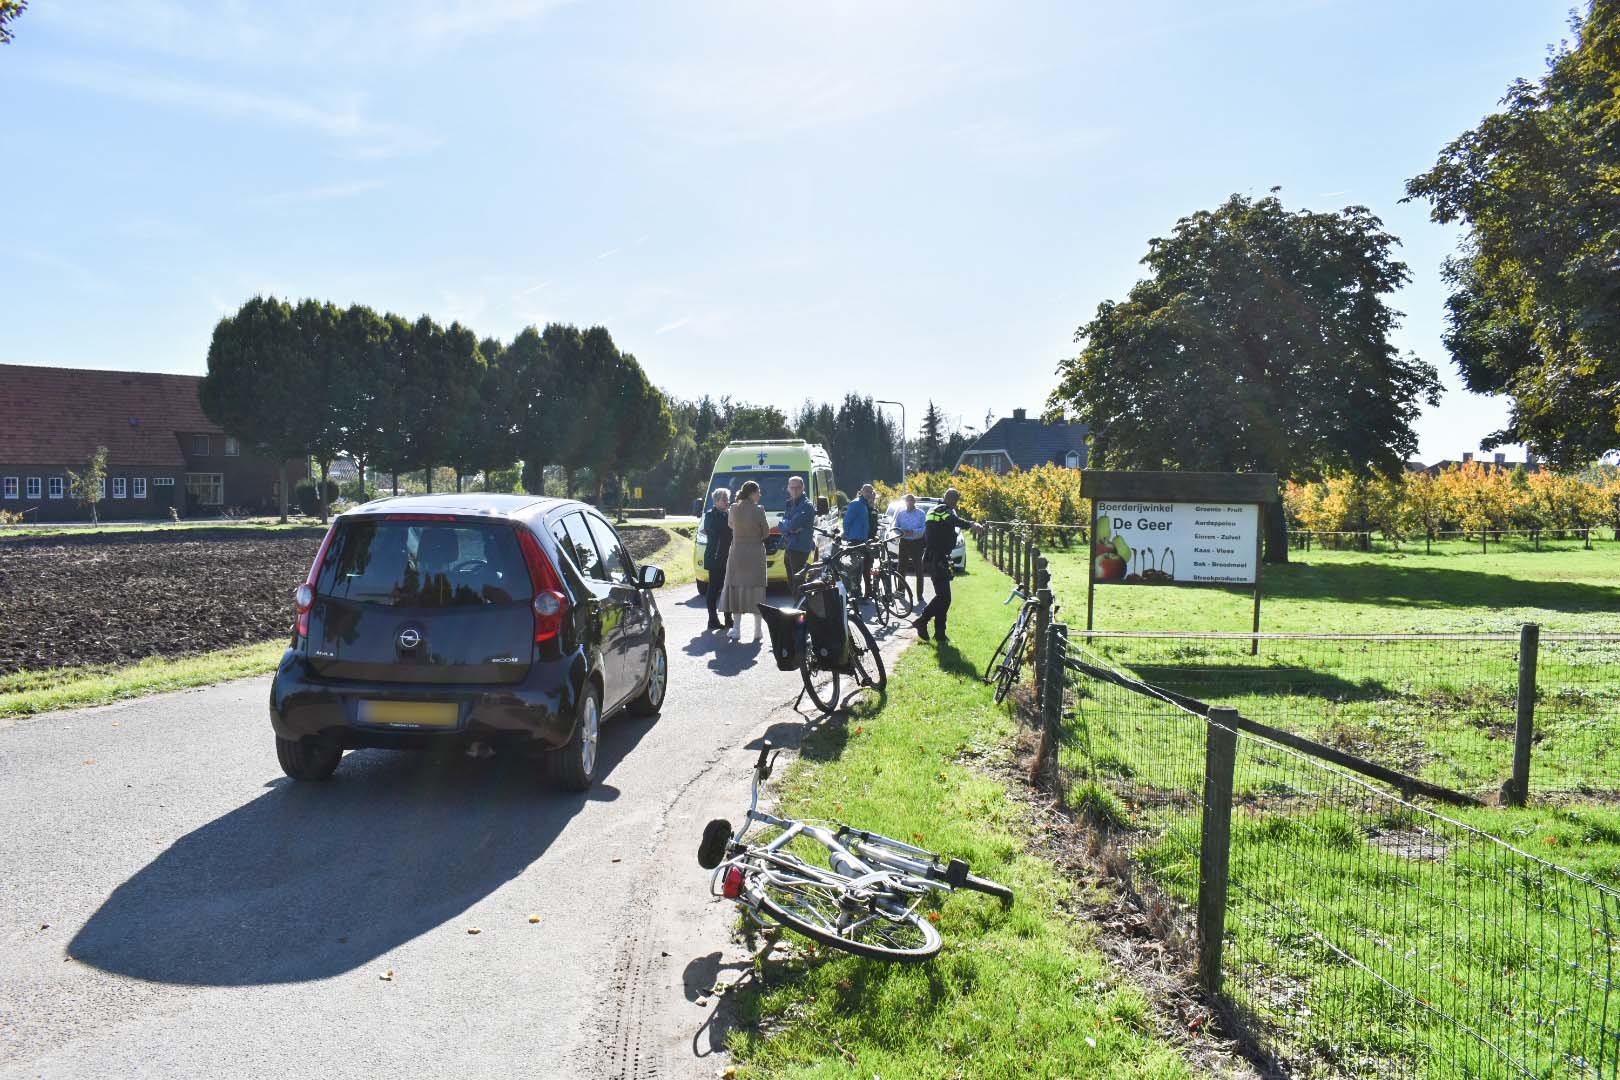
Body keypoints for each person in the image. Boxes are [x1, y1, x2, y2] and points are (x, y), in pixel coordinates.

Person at [912, 487, 984, 644]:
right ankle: (922, 620)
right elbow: (954, 521)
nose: (956, 505)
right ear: (950, 499)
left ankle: (939, 633)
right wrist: (972, 524)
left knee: (944, 598)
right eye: (956, 501)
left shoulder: (936, 510)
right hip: (936, 558)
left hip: (938, 557)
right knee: (944, 597)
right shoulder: (943, 511)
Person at [721, 480, 769, 643]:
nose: (760, 495)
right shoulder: (759, 509)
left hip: (738, 552)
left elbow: (730, 525)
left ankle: (736, 629)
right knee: (757, 589)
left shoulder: (733, 508)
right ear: (752, 493)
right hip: (755, 552)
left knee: (737, 588)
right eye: (758, 492)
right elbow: (766, 532)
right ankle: (757, 631)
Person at [702, 488, 733, 632]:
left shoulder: (729, 514)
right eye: (724, 499)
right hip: (715, 557)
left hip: (728, 557)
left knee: (728, 589)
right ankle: (712, 619)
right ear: (716, 501)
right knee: (713, 589)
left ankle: (728, 618)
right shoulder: (710, 515)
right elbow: (713, 531)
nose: (727, 502)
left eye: (727, 499)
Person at [892, 493, 927, 607]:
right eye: (908, 500)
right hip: (904, 542)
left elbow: (923, 529)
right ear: (905, 502)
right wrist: (902, 532)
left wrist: (913, 532)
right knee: (901, 567)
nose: (909, 502)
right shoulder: (901, 514)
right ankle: (900, 591)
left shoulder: (921, 514)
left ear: (914, 502)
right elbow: (895, 528)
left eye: (911, 500)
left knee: (919, 568)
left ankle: (920, 594)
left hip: (917, 543)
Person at [841, 483, 876, 597]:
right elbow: (847, 521)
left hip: (864, 541)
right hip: (855, 541)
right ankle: (856, 594)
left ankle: (866, 592)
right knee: (856, 569)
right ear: (861, 491)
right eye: (866, 491)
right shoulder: (856, 504)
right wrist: (846, 534)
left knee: (865, 567)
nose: (869, 494)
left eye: (870, 492)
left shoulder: (866, 505)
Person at [781, 475, 816, 588]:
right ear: (788, 488)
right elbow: (783, 526)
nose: (794, 490)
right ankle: (799, 604)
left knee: (798, 581)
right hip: (789, 546)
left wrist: (788, 526)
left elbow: (793, 526)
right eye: (792, 487)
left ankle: (804, 605)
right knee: (791, 581)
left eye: (797, 487)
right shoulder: (789, 503)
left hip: (800, 547)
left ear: (803, 488)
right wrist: (789, 527)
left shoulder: (807, 506)